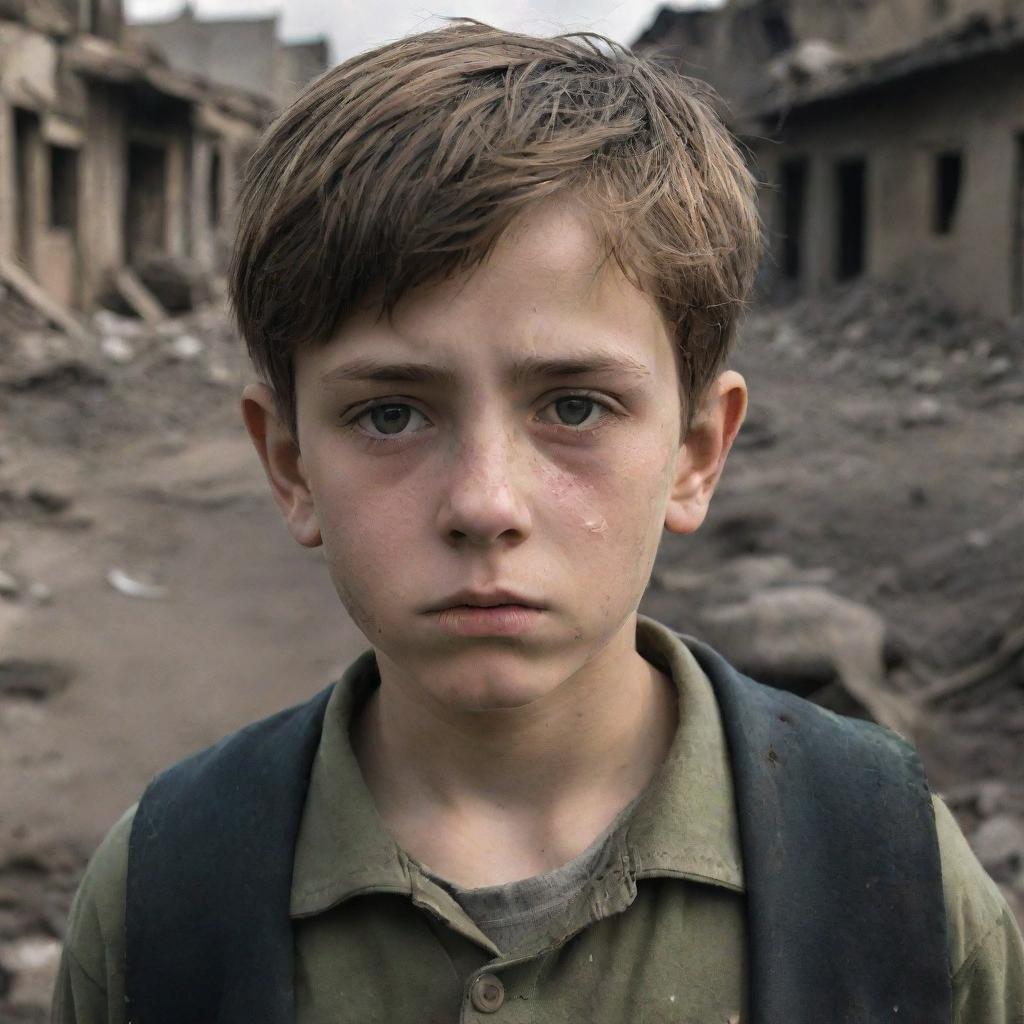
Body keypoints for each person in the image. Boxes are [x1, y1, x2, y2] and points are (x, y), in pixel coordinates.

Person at [52, 20, 1023, 1024]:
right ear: (291, 464)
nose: (484, 503)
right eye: (390, 413)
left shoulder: (887, 872)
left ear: (695, 454)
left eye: (573, 406)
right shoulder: (163, 896)